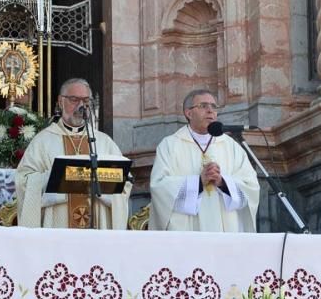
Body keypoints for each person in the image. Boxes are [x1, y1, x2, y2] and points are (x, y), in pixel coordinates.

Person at [16, 78, 130, 229]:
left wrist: (101, 187)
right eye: (74, 99)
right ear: (60, 101)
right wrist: (55, 177)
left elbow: (125, 182)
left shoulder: (104, 142)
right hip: (58, 228)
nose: (81, 105)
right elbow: (23, 180)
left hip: (97, 232)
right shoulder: (43, 141)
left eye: (86, 100)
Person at [149, 89, 260, 232]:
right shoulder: (170, 145)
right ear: (188, 113)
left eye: (214, 107)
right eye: (203, 106)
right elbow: (159, 187)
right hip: (187, 234)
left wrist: (223, 182)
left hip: (225, 231)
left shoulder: (231, 146)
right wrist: (198, 182)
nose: (210, 111)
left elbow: (251, 187)